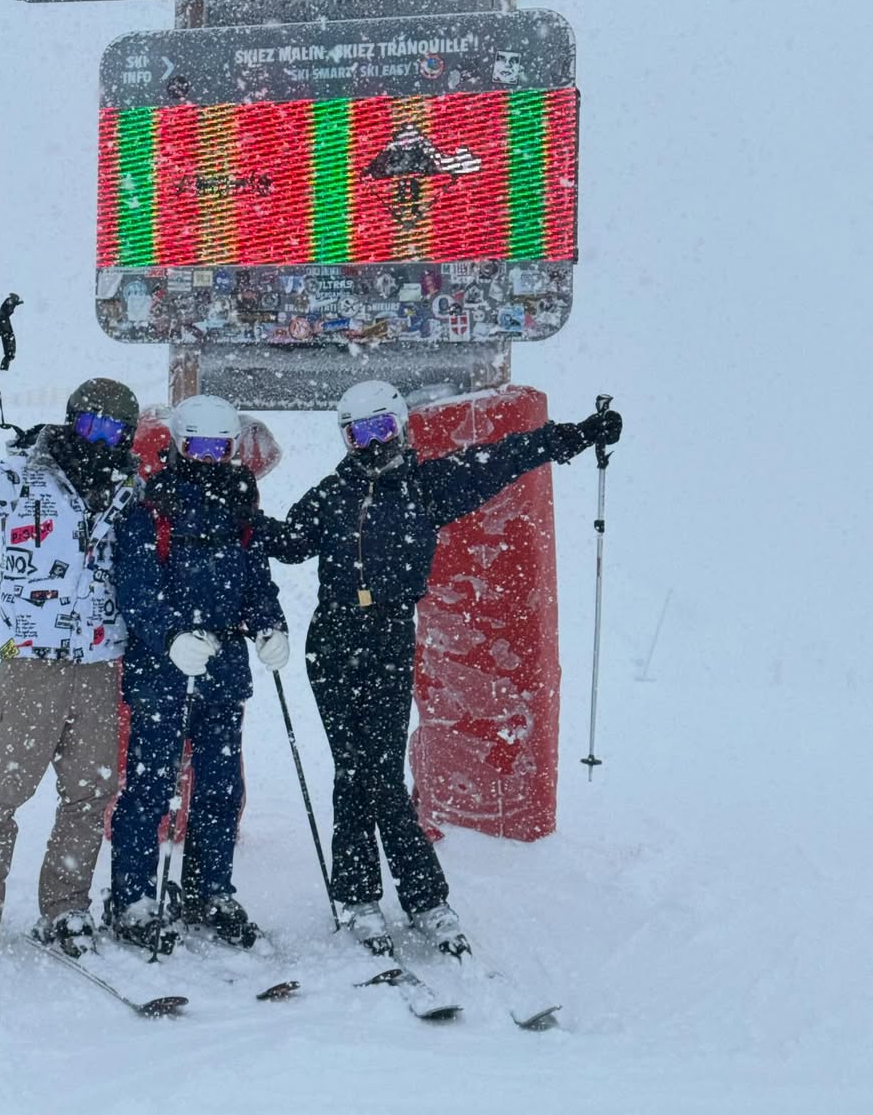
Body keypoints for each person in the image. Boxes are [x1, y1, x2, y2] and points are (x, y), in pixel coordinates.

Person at [257, 379, 622, 960]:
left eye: (379, 429)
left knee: (377, 774)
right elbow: (288, 543)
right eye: (357, 435)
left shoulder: (426, 486)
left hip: (387, 638)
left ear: (400, 428)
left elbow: (503, 458)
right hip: (331, 641)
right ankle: (365, 897)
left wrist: (573, 437)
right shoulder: (333, 493)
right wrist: (232, 503)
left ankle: (417, 898)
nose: (370, 444)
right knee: (353, 770)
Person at [0, 377, 141, 973]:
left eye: (113, 432)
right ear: (71, 421)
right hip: (32, 657)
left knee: (91, 790)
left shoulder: (129, 488)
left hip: (98, 660)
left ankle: (65, 905)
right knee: (3, 790)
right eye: (90, 426)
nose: (100, 440)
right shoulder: (27, 474)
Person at [107, 394, 289, 952]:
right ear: (179, 446)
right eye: (199, 447)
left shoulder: (239, 506)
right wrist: (170, 635)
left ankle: (211, 889)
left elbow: (255, 579)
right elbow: (135, 586)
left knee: (219, 785)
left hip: (223, 668)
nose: (210, 459)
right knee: (150, 785)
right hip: (164, 670)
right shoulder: (151, 506)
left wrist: (269, 626)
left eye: (220, 448)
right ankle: (133, 897)